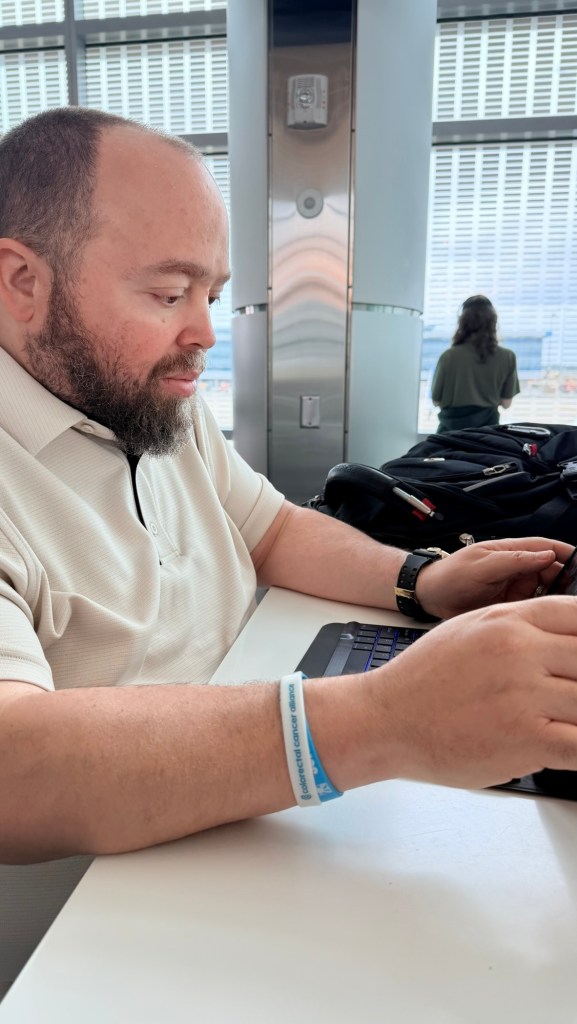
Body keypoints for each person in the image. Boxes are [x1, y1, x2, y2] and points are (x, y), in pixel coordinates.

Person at [1, 107, 577, 875]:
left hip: (253, 793)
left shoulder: (150, 404)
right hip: (109, 894)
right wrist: (382, 719)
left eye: (211, 295)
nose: (205, 333)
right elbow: (13, 772)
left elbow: (270, 529)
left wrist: (419, 580)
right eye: (170, 293)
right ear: (23, 282)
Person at [431, 294, 520, 433]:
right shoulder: (508, 356)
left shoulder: (448, 356)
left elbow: (436, 401)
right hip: (486, 435)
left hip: (450, 434)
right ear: (493, 322)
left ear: (462, 322)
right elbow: (506, 403)